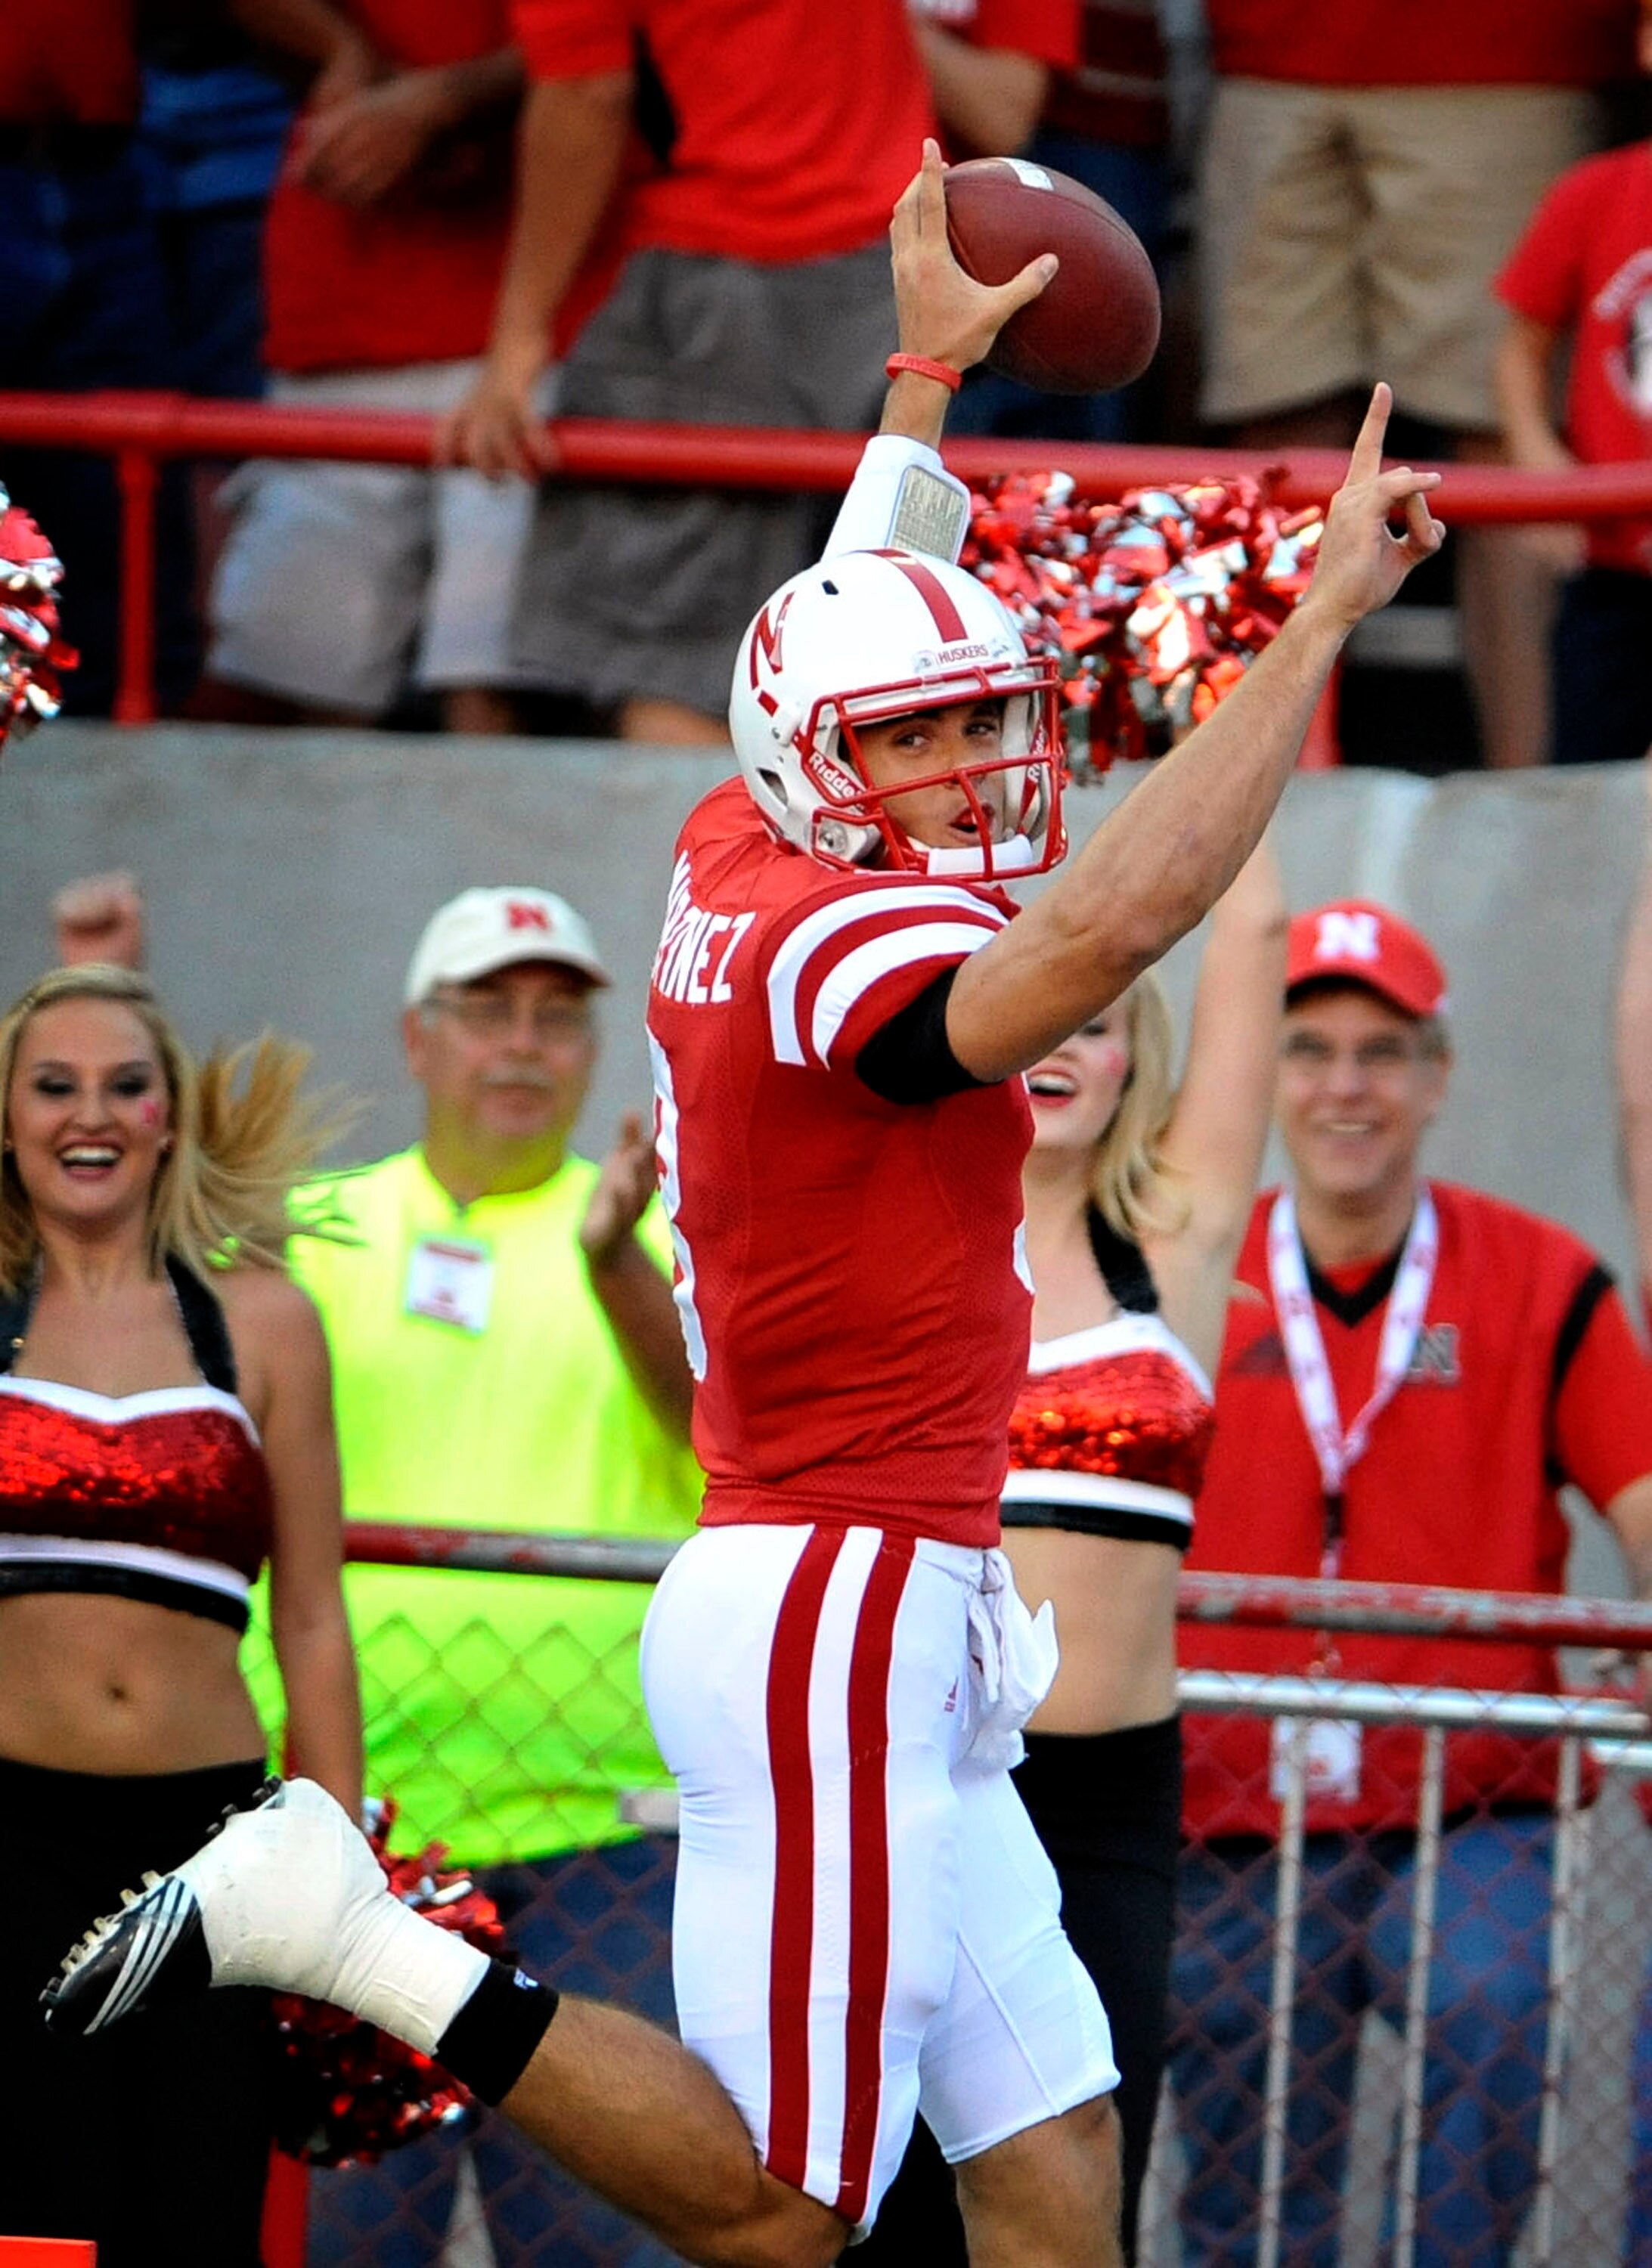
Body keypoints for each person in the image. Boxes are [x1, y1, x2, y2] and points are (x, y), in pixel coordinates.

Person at [42, 144, 1446, 2268]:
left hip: (893, 1599)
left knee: (1058, 2170)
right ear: (829, 771)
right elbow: (1104, 929)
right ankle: (354, 1933)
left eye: (992, 716)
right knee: (794, 2209)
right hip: (831, 1604)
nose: (980, 762)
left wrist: (921, 379)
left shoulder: (741, 826)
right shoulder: (835, 965)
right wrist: (1320, 620)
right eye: (938, 736)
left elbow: (841, 614)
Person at [1168, 899, 1652, 2268]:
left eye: (1384, 1053)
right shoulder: (1192, 1276)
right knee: (1252, 2162)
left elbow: (1642, 1495)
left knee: (1491, 2002)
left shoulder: (1539, 1279)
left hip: (1475, 1801)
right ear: (1267, 1074)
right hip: (1237, 1812)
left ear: (1437, 1078)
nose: (1345, 1087)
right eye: (1310, 1049)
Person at [860, 839, 1287, 2266]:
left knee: (1073, 2198)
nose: (1057, 1043)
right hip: (914, 1790)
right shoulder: (894, 1244)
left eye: (1092, 1021)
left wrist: (1242, 668)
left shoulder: (1179, 1239)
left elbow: (1252, 931)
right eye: (1036, 1011)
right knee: (889, 2198)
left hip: (1107, 1806)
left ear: (1129, 1063)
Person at [285, 885, 701, 2268]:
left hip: (602, 1846)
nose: (523, 1045)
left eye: (557, 1016)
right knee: (351, 2245)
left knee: (591, 2246)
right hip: (350, 1838)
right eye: (488, 1011)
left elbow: (722, 1438)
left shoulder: (656, 1233)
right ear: (417, 1039)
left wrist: (616, 1267)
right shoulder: (303, 1237)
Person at [0, 962, 361, 2263]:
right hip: (9, 1836)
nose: (86, 1114)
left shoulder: (260, 1321)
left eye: (123, 1085)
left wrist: (340, 1866)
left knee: (194, 2215)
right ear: (9, 1115)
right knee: (33, 2222)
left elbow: (314, 1620)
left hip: (210, 1856)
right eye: (53, 1086)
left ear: (169, 1118)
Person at [441, 0, 935, 746]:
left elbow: (586, 91)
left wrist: (516, 344)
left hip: (733, 268)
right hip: (894, 266)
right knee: (858, 673)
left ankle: (720, 869)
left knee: (673, 675)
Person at [1195, 0, 1636, 769]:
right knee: (1273, 448)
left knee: (1501, 455)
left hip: (1509, 48)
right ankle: (1249, 822)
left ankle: (1528, 809)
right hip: (1264, 49)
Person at [203, 0, 538, 733]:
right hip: (352, 292)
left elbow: (615, 48)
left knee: (491, 685)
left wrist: (439, 101)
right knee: (302, 676)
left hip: (538, 303)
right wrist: (347, 54)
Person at [1494, 2, 1652, 767]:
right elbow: (1520, 346)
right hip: (1613, 566)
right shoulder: (1595, 191)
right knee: (1587, 782)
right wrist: (1539, 464)